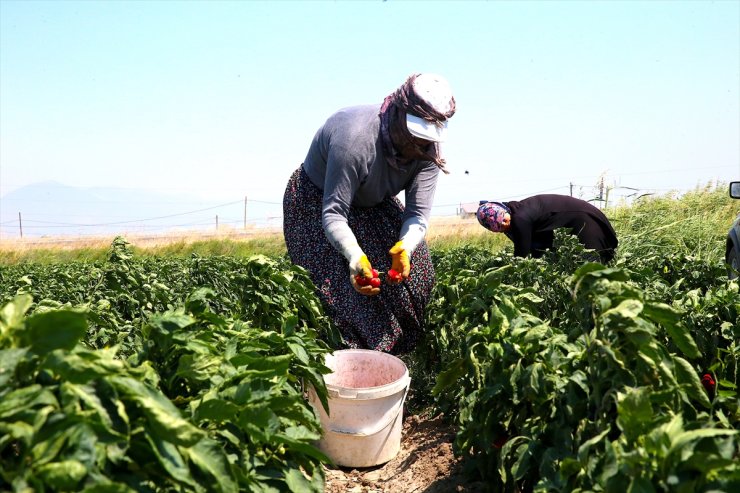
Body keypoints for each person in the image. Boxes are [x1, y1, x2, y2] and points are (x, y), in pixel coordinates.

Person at [282, 73, 456, 354]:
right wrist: (354, 255)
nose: (417, 146)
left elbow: (417, 214)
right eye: (414, 136)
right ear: (398, 113)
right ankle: (343, 372)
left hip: (374, 204)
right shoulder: (354, 139)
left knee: (419, 277)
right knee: (346, 296)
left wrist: (406, 248)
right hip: (316, 201)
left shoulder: (428, 152)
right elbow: (335, 213)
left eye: (424, 140)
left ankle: (399, 361)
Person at [476, 194, 618, 263]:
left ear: (504, 209)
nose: (506, 224)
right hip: (580, 218)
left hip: (584, 221)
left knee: (593, 268)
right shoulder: (517, 210)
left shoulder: (520, 217)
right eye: (502, 226)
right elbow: (539, 248)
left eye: (505, 219)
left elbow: (522, 256)